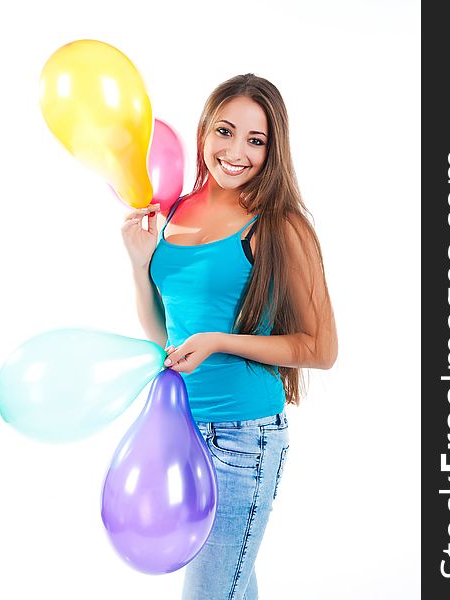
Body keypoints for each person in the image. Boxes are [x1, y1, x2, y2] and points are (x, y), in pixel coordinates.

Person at [121, 73, 337, 600]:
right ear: (203, 133)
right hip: (178, 428)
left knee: (212, 591)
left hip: (245, 436)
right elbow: (164, 338)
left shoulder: (280, 225)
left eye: (256, 140)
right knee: (229, 584)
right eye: (225, 131)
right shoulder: (171, 211)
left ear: (273, 149)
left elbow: (321, 350)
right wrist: (139, 266)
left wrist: (221, 341)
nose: (236, 151)